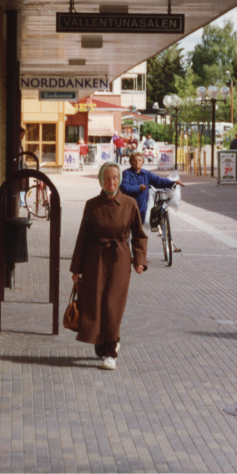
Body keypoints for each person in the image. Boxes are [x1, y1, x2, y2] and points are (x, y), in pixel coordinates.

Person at [69, 161, 148, 370]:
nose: (111, 182)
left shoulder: (130, 204)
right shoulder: (92, 204)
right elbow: (82, 237)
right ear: (100, 180)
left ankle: (111, 352)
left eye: (114, 178)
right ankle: (102, 343)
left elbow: (139, 235)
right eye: (106, 178)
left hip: (119, 258)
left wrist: (139, 261)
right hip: (95, 258)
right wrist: (77, 268)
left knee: (113, 304)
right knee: (94, 302)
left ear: (120, 180)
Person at [120, 152, 185, 252]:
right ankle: (128, 254)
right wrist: (138, 188)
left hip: (142, 206)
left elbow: (159, 181)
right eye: (134, 160)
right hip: (129, 206)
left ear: (142, 162)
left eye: (139, 160)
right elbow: (124, 187)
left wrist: (173, 182)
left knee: (139, 231)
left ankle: (138, 254)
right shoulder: (127, 173)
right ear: (131, 162)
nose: (137, 162)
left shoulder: (146, 174)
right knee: (128, 231)